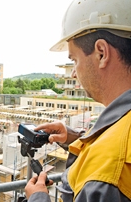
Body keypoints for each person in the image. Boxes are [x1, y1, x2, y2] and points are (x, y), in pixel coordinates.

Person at [25, 0, 131, 201]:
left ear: (101, 53)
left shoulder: (106, 173)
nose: (73, 73)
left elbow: (111, 156)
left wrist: (38, 197)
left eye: (74, 60)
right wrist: (75, 137)